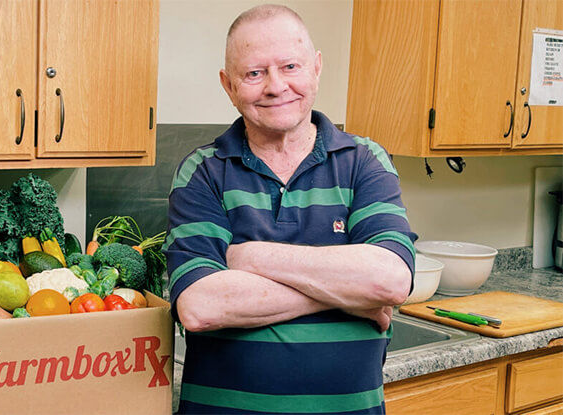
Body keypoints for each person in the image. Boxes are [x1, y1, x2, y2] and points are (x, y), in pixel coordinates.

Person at [163, 4, 417, 415]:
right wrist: (350, 295)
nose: (276, 86)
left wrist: (249, 256)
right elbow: (200, 306)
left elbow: (388, 281)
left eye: (290, 66)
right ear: (228, 85)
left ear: (316, 68)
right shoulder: (203, 171)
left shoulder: (364, 160)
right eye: (254, 73)